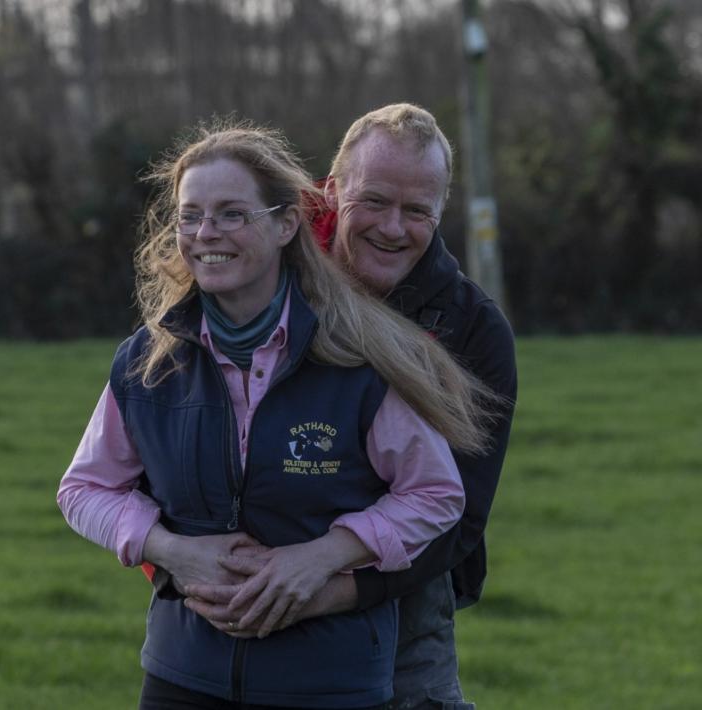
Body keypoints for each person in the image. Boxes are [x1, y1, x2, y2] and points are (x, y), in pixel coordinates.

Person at [57, 122, 495, 709]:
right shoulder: (146, 361)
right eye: (190, 216)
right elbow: (83, 489)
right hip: (182, 676)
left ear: (287, 224)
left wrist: (324, 559)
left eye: (232, 214)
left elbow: (437, 494)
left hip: (331, 681)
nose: (206, 233)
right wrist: (171, 550)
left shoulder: (360, 359)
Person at [183, 104, 517, 710]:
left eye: (417, 211)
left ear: (441, 209)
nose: (393, 228)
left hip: (401, 612)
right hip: (235, 596)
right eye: (375, 201)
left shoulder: (472, 329)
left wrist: (321, 585)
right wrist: (181, 564)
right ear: (333, 190)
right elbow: (174, 425)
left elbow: (459, 518)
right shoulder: (262, 267)